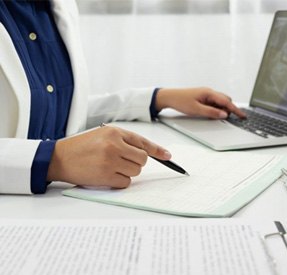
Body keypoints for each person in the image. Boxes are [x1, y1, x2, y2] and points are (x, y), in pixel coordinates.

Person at [0, 0, 244, 195]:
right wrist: (53, 160)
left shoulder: (59, 6)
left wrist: (156, 98)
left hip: (56, 206)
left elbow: (55, 110)